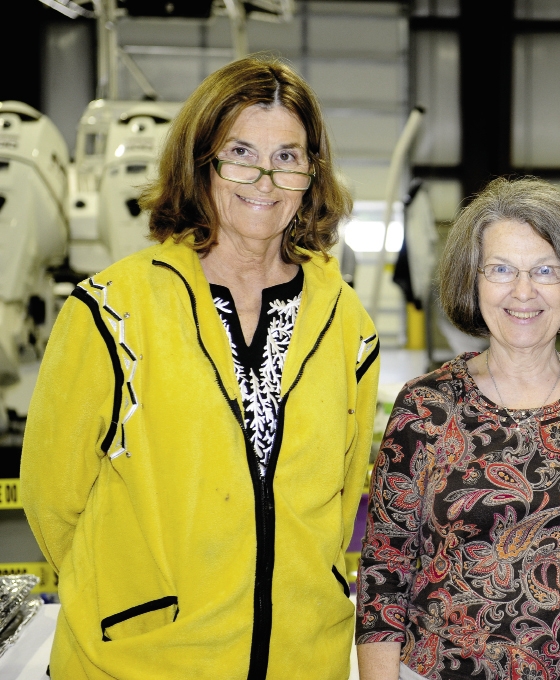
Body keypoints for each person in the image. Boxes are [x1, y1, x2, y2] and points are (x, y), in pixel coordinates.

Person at [20, 56, 380, 679]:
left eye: (289, 157)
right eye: (241, 151)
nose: (264, 179)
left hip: (302, 659)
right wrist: (133, 599)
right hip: (139, 661)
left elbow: (345, 493)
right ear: (201, 161)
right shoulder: (112, 311)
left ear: (312, 175)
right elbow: (51, 499)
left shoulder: (347, 320)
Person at [356, 177, 560, 680]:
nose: (523, 292)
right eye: (501, 269)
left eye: (545, 270)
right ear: (472, 280)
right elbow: (384, 571)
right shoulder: (425, 407)